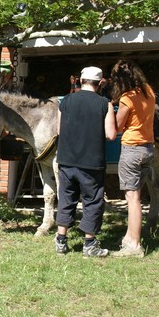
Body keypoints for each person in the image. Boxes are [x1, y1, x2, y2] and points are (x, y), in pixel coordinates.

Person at [55, 66, 117, 257]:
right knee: (92, 201)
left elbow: (59, 131)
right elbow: (111, 134)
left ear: (81, 81)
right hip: (91, 162)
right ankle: (89, 244)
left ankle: (61, 241)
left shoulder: (64, 102)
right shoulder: (104, 104)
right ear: (99, 84)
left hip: (66, 160)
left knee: (66, 198)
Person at [109, 59, 155, 258]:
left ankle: (134, 246)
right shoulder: (148, 91)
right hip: (148, 148)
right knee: (137, 195)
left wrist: (111, 110)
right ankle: (129, 237)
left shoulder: (127, 98)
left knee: (133, 198)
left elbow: (118, 127)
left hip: (132, 149)